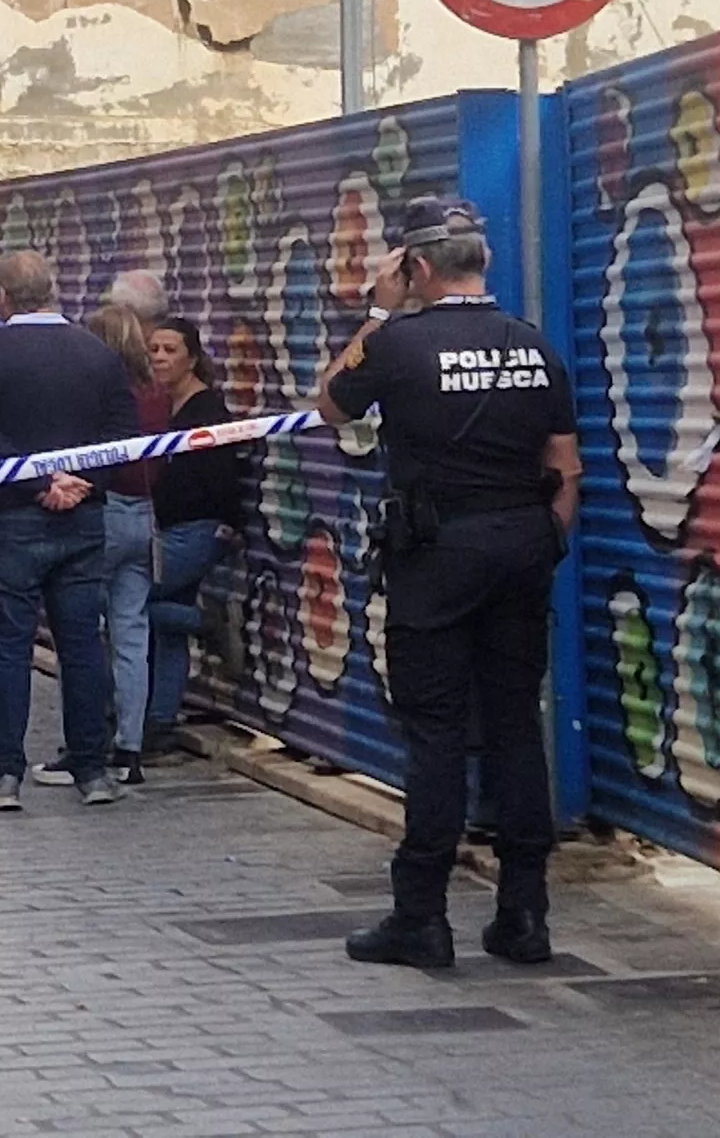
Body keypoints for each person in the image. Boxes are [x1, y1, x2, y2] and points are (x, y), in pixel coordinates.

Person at [315, 197, 577, 970]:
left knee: (433, 732)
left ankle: (421, 915)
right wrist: (546, 539)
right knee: (513, 724)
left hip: (435, 556)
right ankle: (525, 913)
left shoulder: (398, 344)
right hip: (523, 546)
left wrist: (380, 314)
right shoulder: (536, 346)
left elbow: (331, 403)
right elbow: (567, 468)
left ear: (417, 267)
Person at [0, 250, 145, 811]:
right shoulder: (98, 354)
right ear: (53, 291)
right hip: (84, 521)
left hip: (13, 519)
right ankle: (93, 772)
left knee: (9, 650)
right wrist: (83, 482)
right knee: (83, 646)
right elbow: (124, 433)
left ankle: (5, 778)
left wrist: (38, 485)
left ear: (2, 297)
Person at [36, 302, 161, 788]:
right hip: (143, 516)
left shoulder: (95, 395)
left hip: (100, 513)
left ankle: (82, 743)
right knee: (133, 635)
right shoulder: (155, 394)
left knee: (80, 633)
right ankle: (130, 748)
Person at [142, 315, 250, 757]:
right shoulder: (164, 406)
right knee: (165, 630)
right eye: (154, 350)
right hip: (168, 530)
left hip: (197, 532)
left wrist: (230, 524)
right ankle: (161, 724)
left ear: (192, 357)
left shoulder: (206, 410)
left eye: (170, 349)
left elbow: (225, 472)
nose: (161, 358)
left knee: (124, 600)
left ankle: (206, 623)